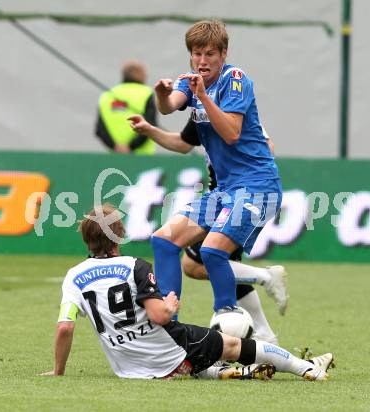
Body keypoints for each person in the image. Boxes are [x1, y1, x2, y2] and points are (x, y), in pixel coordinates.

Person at [40, 204, 333, 381]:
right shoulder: (135, 266)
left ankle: (227, 373)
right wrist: (168, 303)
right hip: (169, 353)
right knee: (234, 344)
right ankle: (308, 367)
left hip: (128, 368)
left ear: (86, 241)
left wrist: (58, 371)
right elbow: (159, 316)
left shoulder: (73, 277)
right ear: (119, 234)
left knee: (198, 356)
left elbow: (65, 328)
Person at [150, 20, 283, 318]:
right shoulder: (190, 81)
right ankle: (169, 322)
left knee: (211, 253)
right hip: (226, 190)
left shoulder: (236, 79)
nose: (202, 61)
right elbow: (169, 105)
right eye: (196, 54)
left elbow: (232, 133)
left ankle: (227, 318)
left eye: (209, 54)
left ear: (224, 53)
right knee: (163, 240)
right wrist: (162, 93)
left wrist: (204, 97)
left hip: (258, 186)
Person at [129, 113, 287, 344]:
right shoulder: (199, 112)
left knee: (206, 260)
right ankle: (263, 325)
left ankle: (260, 287)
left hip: (241, 196)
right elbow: (183, 142)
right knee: (193, 263)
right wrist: (150, 130)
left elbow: (267, 147)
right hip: (219, 196)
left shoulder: (234, 110)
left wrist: (233, 154)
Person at [95, 60, 157, 154]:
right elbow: (150, 125)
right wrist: (131, 147)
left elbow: (100, 130)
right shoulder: (146, 93)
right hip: (143, 158)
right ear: (141, 75)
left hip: (115, 157)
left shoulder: (107, 95)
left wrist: (115, 147)